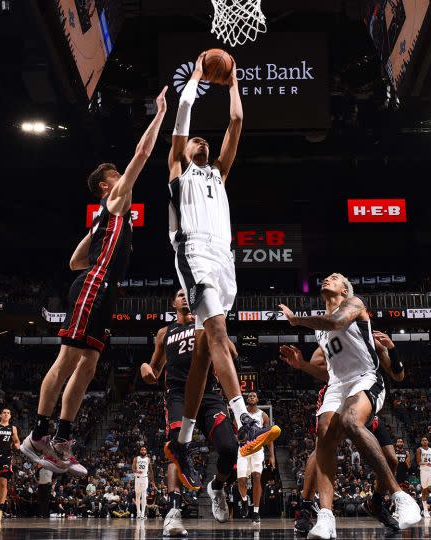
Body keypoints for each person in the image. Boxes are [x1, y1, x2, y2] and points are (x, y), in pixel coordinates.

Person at [21, 87, 169, 474]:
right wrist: (159, 116)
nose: (124, 177)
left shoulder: (106, 217)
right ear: (107, 186)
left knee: (88, 365)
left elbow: (73, 261)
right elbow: (142, 154)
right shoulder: (116, 201)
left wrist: (97, 236)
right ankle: (37, 434)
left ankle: (62, 441)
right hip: (94, 285)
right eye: (117, 176)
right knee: (69, 358)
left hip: (102, 289)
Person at [164, 52, 278, 490]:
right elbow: (184, 117)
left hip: (223, 259)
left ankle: (184, 440)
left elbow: (235, 124)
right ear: (186, 149)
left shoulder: (218, 175)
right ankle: (244, 418)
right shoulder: (178, 170)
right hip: (192, 252)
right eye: (194, 142)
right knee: (217, 335)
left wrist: (232, 82)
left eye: (201, 143)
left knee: (201, 354)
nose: (200, 142)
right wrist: (194, 78)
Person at [278, 273, 421, 538]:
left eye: (334, 278)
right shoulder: (321, 330)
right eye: (327, 277)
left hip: (364, 377)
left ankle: (400, 497)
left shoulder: (354, 303)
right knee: (323, 437)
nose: (327, 279)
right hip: (337, 384)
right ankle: (325, 516)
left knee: (351, 421)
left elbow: (337, 321)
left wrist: (297, 320)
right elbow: (326, 371)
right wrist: (302, 365)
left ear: (344, 290)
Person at [282, 330, 407, 536]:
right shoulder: (329, 339)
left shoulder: (371, 339)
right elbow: (325, 372)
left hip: (363, 396)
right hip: (338, 395)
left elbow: (398, 375)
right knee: (322, 448)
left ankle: (376, 502)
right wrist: (304, 364)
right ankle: (305, 508)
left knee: (391, 460)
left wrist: (391, 349)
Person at [140, 288, 240, 536]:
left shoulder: (205, 323)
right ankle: (173, 513)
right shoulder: (165, 332)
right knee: (176, 449)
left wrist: (217, 331)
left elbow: (233, 354)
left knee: (229, 449)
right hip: (178, 396)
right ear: (173, 302)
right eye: (179, 294)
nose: (184, 296)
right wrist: (146, 369)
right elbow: (154, 367)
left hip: (209, 395)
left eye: (188, 294)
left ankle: (216, 487)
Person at [236, 392, 276, 524]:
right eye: (249, 396)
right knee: (241, 481)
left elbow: (270, 437)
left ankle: (256, 512)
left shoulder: (263, 415)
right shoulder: (241, 415)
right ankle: (244, 500)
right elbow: (235, 432)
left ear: (257, 399)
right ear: (247, 400)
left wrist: (272, 456)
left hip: (258, 450)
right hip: (243, 449)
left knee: (257, 478)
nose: (251, 397)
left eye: (254, 396)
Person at [132, 447, 154, 519]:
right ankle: (138, 512)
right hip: (137, 478)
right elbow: (132, 468)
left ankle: (143, 514)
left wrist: (153, 481)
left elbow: (151, 471)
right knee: (137, 496)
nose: (143, 451)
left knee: (144, 496)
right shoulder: (136, 458)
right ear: (140, 451)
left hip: (145, 478)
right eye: (142, 450)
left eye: (144, 450)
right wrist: (136, 471)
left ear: (146, 451)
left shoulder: (148, 459)